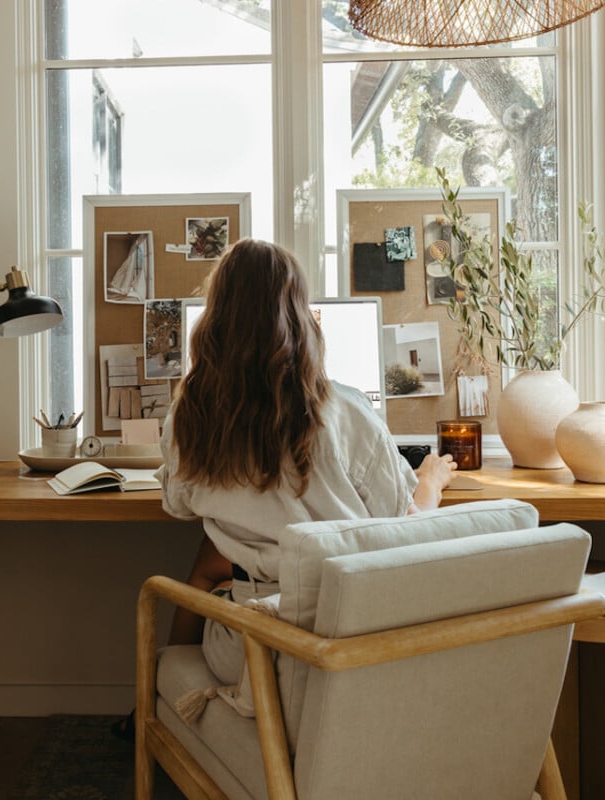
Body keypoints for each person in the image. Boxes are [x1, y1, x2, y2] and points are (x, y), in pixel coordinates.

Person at [111, 237, 455, 739]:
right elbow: (400, 530)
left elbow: (179, 504)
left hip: (249, 645)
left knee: (211, 554)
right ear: (301, 318)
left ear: (216, 320)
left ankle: (156, 714)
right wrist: (429, 482)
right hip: (346, 635)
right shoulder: (350, 410)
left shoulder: (192, 412)